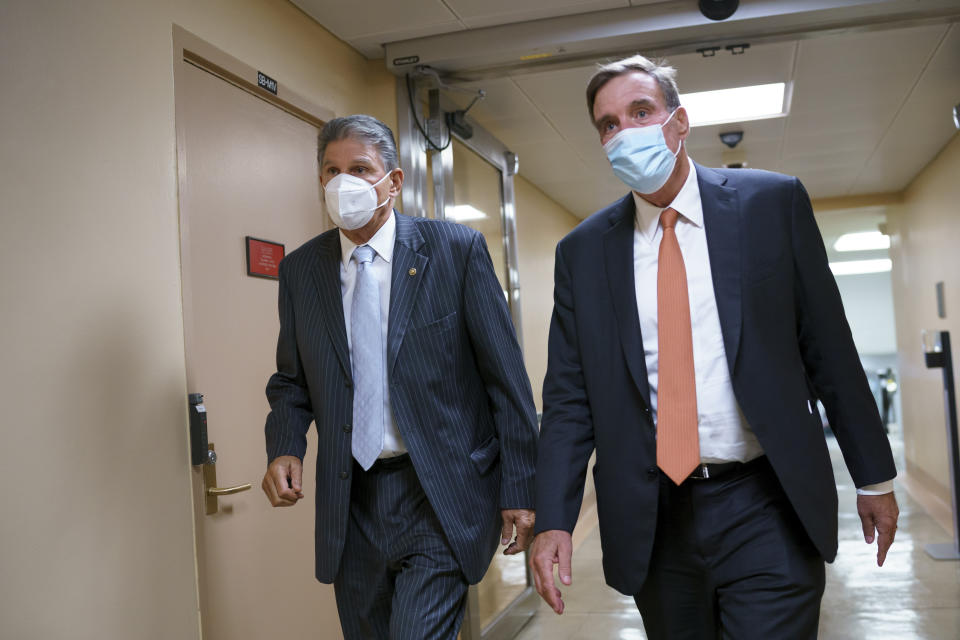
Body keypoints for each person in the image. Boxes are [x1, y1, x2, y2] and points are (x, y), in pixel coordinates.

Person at [529, 55, 899, 638]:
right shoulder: (583, 253)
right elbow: (570, 397)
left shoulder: (770, 206)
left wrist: (872, 476)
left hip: (766, 500)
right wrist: (553, 518)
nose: (625, 130)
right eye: (608, 124)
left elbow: (827, 347)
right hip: (654, 516)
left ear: (678, 123)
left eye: (641, 111)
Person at [261, 114, 538, 640]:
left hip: (437, 491)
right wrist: (285, 446)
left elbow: (506, 381)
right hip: (352, 498)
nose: (344, 182)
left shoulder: (454, 251)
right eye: (331, 170)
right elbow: (292, 381)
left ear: (393, 182)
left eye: (360, 168)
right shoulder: (302, 270)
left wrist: (520, 487)